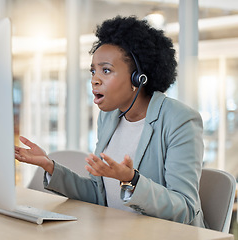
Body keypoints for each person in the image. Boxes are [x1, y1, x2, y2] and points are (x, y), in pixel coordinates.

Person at [15, 15, 205, 228]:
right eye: (93, 71)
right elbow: (99, 194)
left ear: (138, 78)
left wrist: (131, 180)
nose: (95, 79)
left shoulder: (179, 120)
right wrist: (49, 166)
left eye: (106, 70)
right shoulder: (109, 117)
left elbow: (185, 209)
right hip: (117, 231)